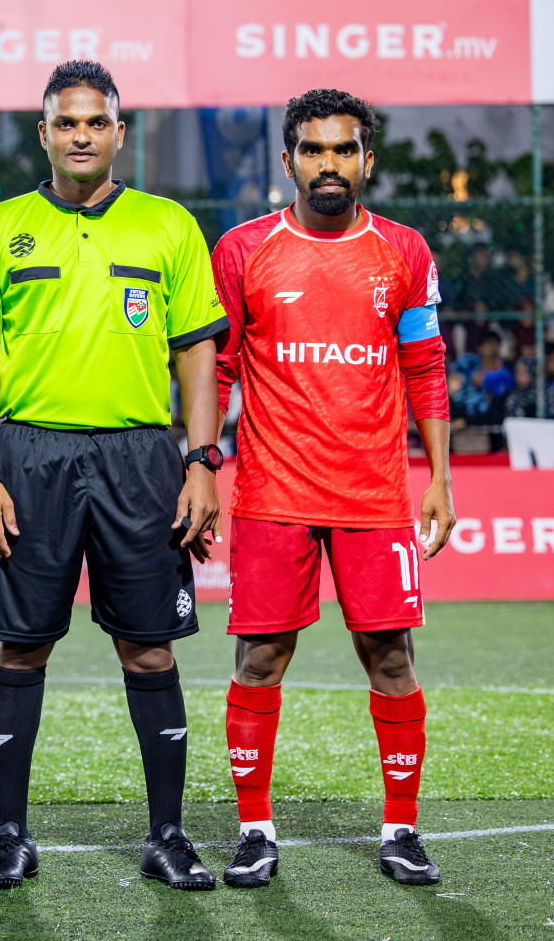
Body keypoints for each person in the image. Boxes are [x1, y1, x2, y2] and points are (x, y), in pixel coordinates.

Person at [0, 60, 226, 891]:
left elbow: (197, 354)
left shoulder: (168, 226)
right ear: (43, 134)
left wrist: (203, 462)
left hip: (140, 459)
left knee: (148, 652)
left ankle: (168, 836)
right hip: (28, 458)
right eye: (65, 123)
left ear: (119, 132)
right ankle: (9, 836)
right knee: (21, 649)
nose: (81, 136)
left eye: (96, 123)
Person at [212, 88, 454, 888]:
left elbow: (424, 368)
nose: (328, 164)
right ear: (287, 162)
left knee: (391, 657)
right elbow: (214, 372)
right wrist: (202, 468)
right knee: (260, 658)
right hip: (272, 491)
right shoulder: (243, 251)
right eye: (313, 150)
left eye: (343, 150)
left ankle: (402, 830)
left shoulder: (406, 253)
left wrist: (440, 480)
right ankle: (254, 831)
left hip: (375, 495)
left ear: (367, 162)